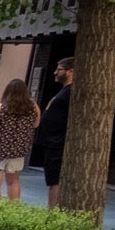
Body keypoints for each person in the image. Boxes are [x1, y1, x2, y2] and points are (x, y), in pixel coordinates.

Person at [0, 79, 41, 200]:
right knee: (14, 181)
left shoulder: (0, 108)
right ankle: (13, 207)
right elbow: (36, 124)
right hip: (18, 150)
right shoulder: (34, 107)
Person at [37, 58, 72, 208]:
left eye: (59, 69)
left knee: (54, 180)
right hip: (51, 142)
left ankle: (53, 212)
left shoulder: (71, 91)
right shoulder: (64, 91)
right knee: (52, 179)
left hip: (57, 142)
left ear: (70, 71)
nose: (55, 72)